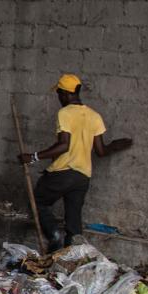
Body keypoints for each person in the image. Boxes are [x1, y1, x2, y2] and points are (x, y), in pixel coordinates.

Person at [17, 73, 131, 252]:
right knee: (73, 221)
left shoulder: (65, 113)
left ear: (64, 93)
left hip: (62, 172)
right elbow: (101, 151)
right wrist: (117, 145)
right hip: (82, 177)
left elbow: (64, 145)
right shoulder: (94, 116)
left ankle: (54, 234)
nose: (59, 98)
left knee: (37, 201)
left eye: (59, 94)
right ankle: (70, 257)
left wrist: (33, 157)